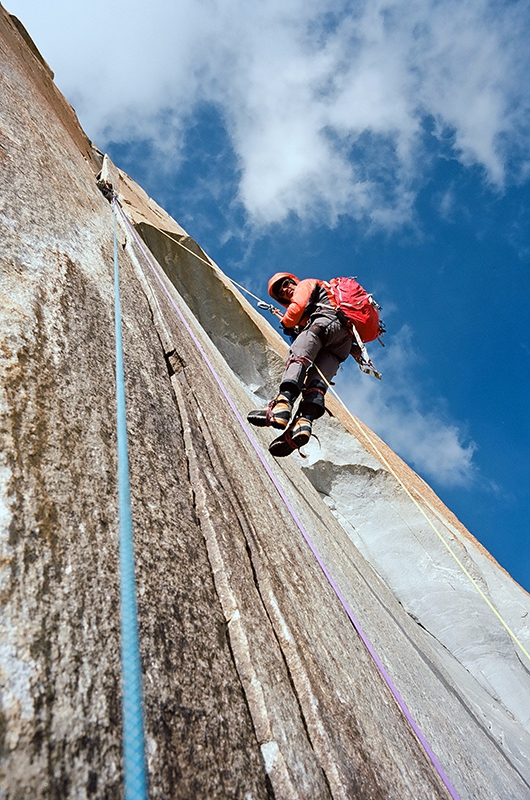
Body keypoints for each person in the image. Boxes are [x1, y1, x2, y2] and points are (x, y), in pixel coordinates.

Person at [247, 272, 354, 454]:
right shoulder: (318, 304)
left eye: (286, 285)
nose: (285, 290)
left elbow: (296, 309)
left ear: (294, 281)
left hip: (325, 325)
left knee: (298, 357)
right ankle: (303, 423)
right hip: (342, 345)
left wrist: (287, 322)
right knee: (316, 384)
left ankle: (282, 404)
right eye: (281, 292)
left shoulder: (308, 284)